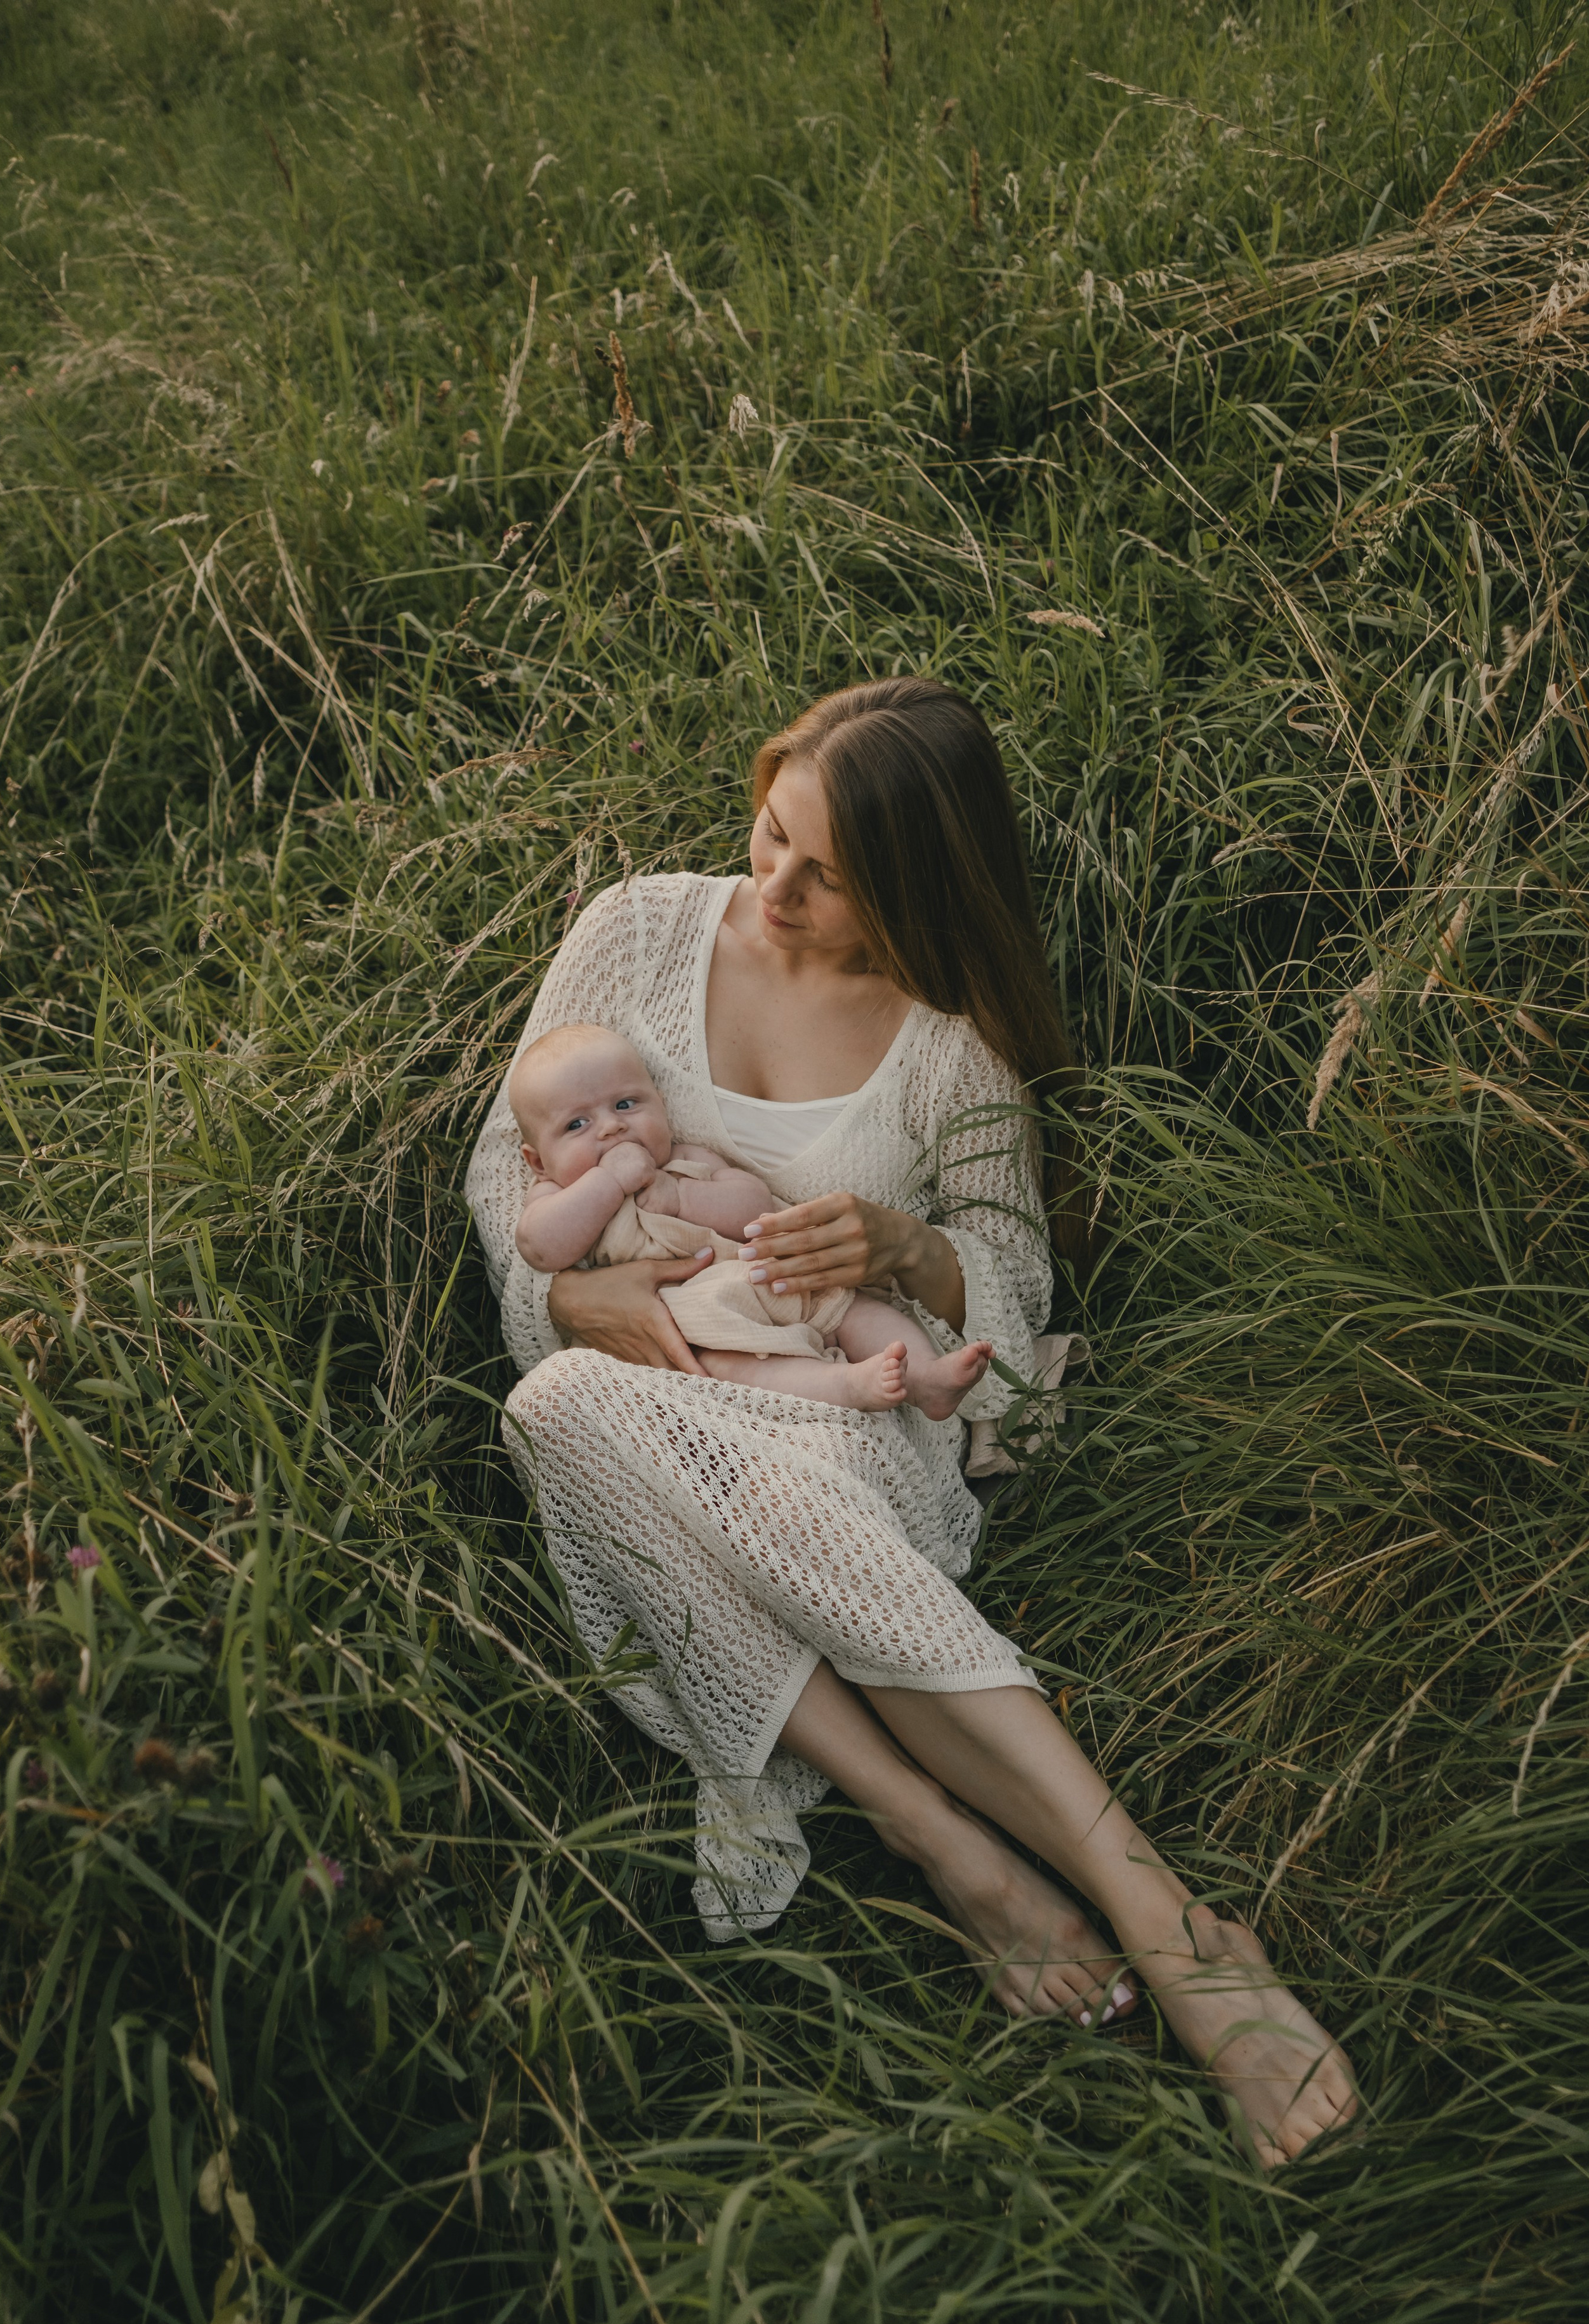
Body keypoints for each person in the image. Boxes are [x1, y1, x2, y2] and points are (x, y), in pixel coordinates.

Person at [465, 677, 1355, 2165]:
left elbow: (1007, 1313)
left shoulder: (950, 1054)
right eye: (771, 836)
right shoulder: (633, 931)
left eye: (831, 876)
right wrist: (570, 1305)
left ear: (917, 886)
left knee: (727, 1486)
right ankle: (940, 1838)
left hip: (854, 1414)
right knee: (557, 1402)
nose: (779, 887)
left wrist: (896, 1247)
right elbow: (504, 1175)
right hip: (649, 1387)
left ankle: (1160, 1910)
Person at [508, 1019, 996, 1416]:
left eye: (626, 1104)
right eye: (577, 1124)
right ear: (537, 1160)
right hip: (696, 1325)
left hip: (777, 1282)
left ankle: (926, 1376)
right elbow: (543, 1249)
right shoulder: (554, 1194)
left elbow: (753, 1208)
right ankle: (845, 1386)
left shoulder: (685, 1159)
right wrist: (608, 1182)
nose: (612, 1127)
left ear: (661, 1103)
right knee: (730, 1367)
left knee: (859, 1310)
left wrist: (679, 1195)